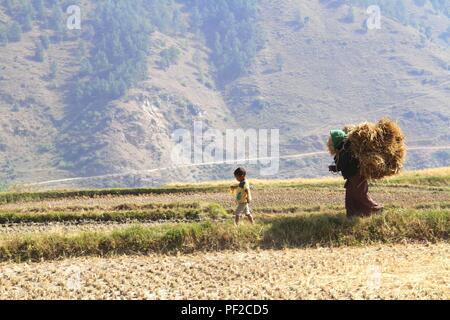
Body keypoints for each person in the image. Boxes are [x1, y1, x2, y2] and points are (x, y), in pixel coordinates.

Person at [328, 130, 383, 217]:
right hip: (352, 177)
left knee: (361, 195)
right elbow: (342, 164)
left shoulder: (346, 149)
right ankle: (352, 215)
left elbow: (342, 164)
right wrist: (336, 166)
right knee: (350, 197)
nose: (330, 142)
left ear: (337, 140)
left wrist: (334, 168)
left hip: (357, 176)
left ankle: (377, 209)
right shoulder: (344, 148)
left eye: (331, 140)